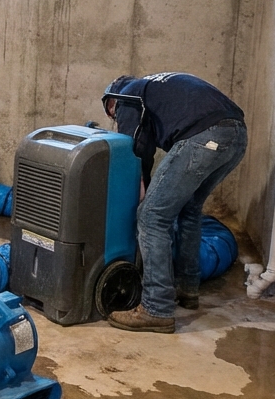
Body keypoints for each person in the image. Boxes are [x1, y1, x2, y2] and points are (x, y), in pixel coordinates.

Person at [101, 72, 247, 334]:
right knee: (189, 210)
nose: (114, 118)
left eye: (111, 113)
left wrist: (139, 195)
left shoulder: (127, 96)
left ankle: (156, 308)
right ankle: (187, 287)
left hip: (203, 136)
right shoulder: (156, 87)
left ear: (111, 100)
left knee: (152, 217)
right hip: (235, 135)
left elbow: (136, 151)